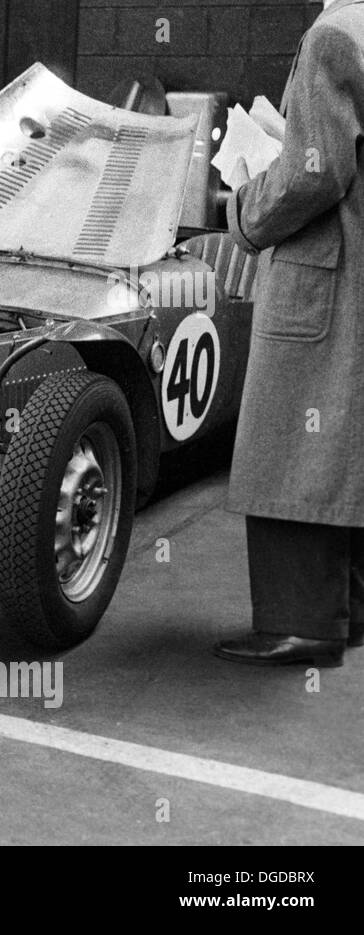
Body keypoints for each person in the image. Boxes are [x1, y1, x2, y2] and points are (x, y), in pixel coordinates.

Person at [213, 0, 364, 669]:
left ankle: (303, 624)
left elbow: (313, 169)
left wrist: (243, 208)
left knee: (291, 444)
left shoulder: (333, 35)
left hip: (322, 274)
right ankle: (344, 612)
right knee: (340, 443)